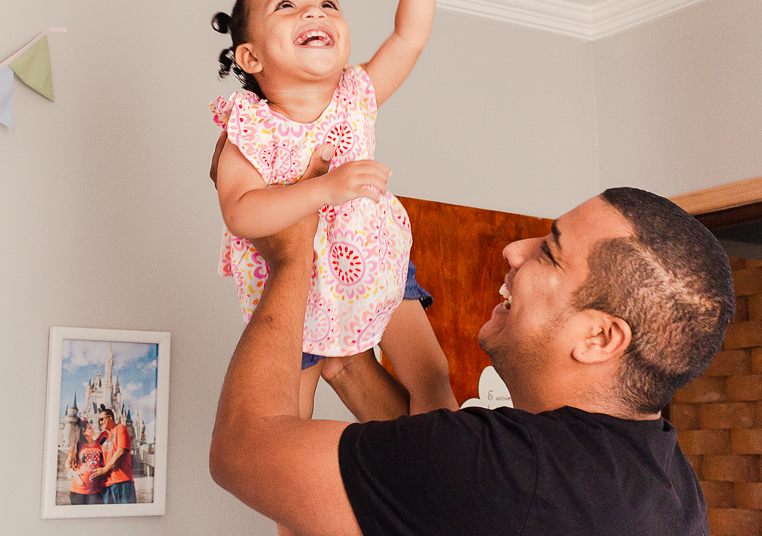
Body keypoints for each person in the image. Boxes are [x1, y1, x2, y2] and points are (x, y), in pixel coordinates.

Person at [209, 147, 735, 536]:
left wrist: (292, 257)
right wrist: (346, 354)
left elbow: (241, 451)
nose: (514, 249)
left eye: (549, 254)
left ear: (598, 336)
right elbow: (422, 490)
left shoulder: (510, 469)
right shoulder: (666, 485)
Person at [209, 0, 456, 423]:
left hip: (374, 261)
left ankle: (443, 465)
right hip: (292, 288)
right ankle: (290, 509)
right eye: (287, 6)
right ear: (250, 56)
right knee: (286, 425)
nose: (314, 11)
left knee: (433, 380)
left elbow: (410, 36)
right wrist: (324, 189)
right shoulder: (249, 126)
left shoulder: (355, 92)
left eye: (327, 4)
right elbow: (240, 212)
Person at [91, 406, 136, 504]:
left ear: (110, 417)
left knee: (126, 515)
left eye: (102, 419)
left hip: (122, 481)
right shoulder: (102, 435)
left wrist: (104, 469)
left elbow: (120, 451)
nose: (100, 422)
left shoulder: (120, 428)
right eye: (99, 420)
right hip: (106, 484)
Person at [65, 418, 105, 505]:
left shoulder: (99, 444)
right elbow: (67, 464)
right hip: (78, 490)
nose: (93, 429)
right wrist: (74, 473)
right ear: (83, 432)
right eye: (90, 428)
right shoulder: (78, 446)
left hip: (95, 490)